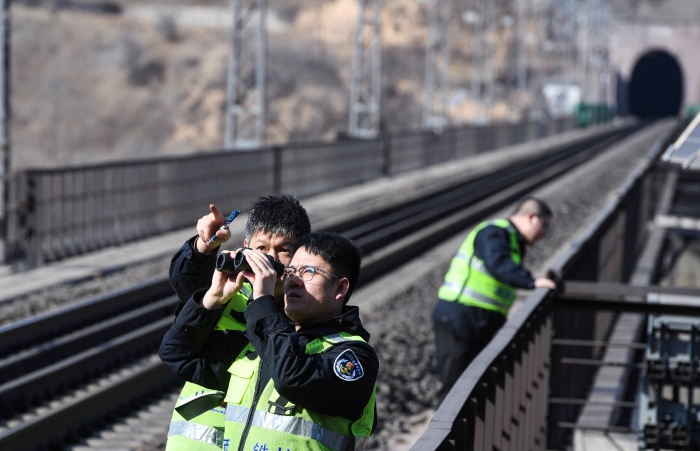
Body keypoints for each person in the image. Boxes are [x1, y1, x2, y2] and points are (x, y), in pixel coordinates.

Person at [160, 232, 379, 450]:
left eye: (309, 272)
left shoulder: (355, 356)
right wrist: (213, 297)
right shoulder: (261, 345)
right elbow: (178, 354)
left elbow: (291, 378)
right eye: (291, 271)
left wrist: (263, 300)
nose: (294, 281)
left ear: (340, 288)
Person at [166, 193, 311, 451]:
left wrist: (265, 301)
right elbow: (190, 284)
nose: (270, 260)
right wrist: (204, 246)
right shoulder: (229, 294)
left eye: (284, 250)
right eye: (261, 249)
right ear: (246, 247)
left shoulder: (304, 315)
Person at [432, 197, 557, 404]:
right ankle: (441, 424)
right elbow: (497, 263)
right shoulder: (494, 232)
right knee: (454, 390)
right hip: (460, 318)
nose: (544, 233)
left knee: (470, 389)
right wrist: (531, 282)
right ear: (532, 218)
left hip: (478, 320)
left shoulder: (512, 240)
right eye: (544, 225)